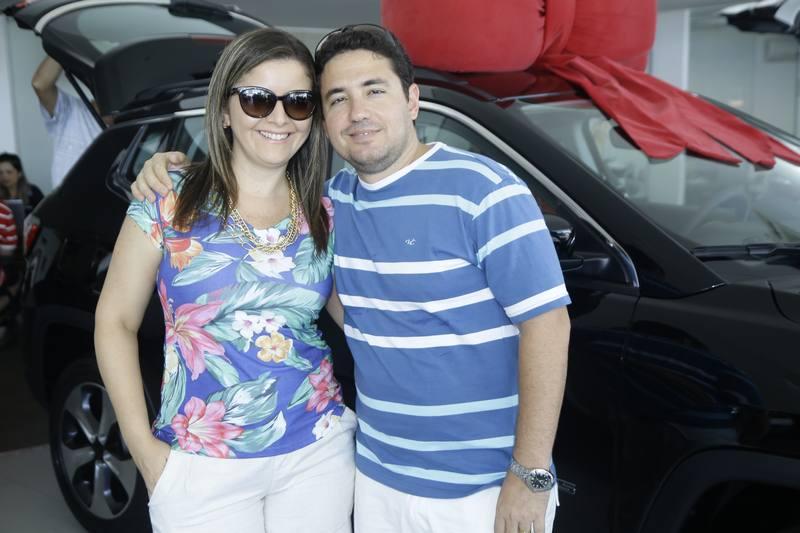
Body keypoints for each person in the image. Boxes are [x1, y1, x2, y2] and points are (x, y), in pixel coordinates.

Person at [134, 24, 571, 533]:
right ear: (324, 120)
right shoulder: (329, 206)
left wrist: (531, 474)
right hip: (376, 481)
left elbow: (549, 326)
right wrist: (167, 166)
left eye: (374, 91)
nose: (357, 112)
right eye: (337, 98)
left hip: (483, 491)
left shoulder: (485, 190)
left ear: (412, 100)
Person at [95, 28, 354, 533]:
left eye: (298, 102)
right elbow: (115, 321)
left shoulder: (326, 212)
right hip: (200, 463)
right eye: (258, 99)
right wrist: (144, 451)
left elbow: (362, 322)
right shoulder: (168, 199)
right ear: (224, 111)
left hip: (317, 449)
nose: (279, 117)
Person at [32, 56, 103, 188]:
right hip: (66, 199)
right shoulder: (72, 110)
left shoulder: (130, 124)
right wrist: (65, 44)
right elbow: (40, 85)